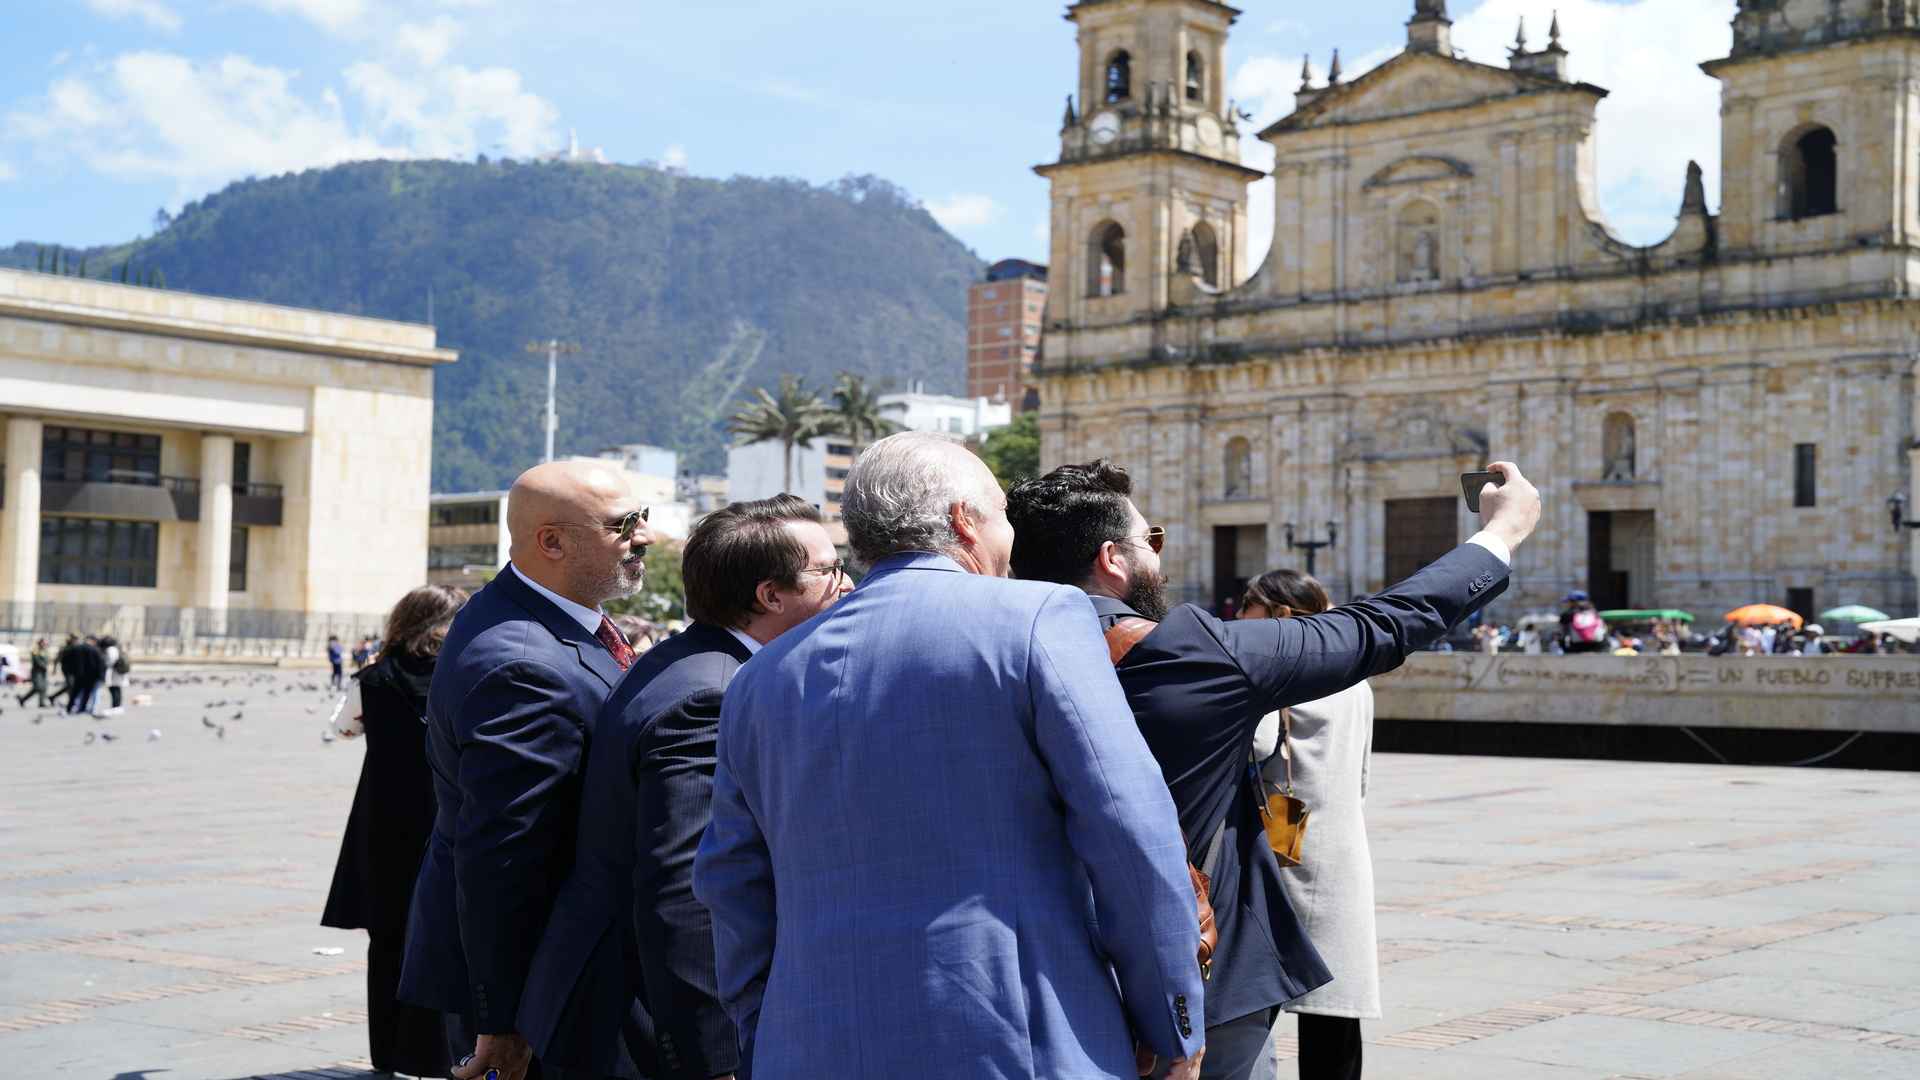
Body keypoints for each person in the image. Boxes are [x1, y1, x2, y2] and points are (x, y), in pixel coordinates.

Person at [694, 432, 1209, 1080]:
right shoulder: (1038, 618)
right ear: (965, 520)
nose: (1010, 543)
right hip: (1016, 1044)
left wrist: (766, 1038)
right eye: (1002, 518)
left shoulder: (760, 680)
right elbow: (1130, 828)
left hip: (810, 1048)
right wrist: (1174, 1023)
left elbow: (732, 890)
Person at [1005, 460, 1536, 1080]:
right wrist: (1499, 537)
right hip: (1205, 979)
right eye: (1152, 542)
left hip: (1038, 975)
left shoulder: (984, 654)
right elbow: (1380, 627)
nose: (1159, 557)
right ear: (1113, 560)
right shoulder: (1191, 654)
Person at [522, 495, 852, 1079]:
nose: (847, 585)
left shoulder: (693, 659)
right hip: (640, 1026)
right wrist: (714, 1059)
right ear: (770, 596)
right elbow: (684, 888)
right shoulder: (714, 696)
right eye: (829, 571)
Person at [398, 459, 656, 1080]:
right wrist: (505, 1019)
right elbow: (503, 856)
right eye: (624, 525)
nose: (644, 536)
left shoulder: (555, 614)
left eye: (643, 517)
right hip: (544, 991)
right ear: (552, 542)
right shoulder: (520, 663)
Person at [1236, 571, 1380, 1080]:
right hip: (1341, 842)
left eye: (1247, 606)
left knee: (1254, 986)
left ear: (1280, 614)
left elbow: (1257, 746)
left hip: (1286, 843)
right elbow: (1362, 768)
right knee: (1335, 1005)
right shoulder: (1356, 674)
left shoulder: (1280, 670)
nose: (1237, 616)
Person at [323, 584, 471, 1078]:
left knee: (387, 940)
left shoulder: (373, 678)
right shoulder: (464, 675)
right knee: (447, 934)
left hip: (383, 822)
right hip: (444, 818)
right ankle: (438, 1054)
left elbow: (343, 729)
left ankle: (388, 1053)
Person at [17, 638, 51, 708]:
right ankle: (23, 699)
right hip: (37, 671)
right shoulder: (35, 650)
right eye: (43, 643)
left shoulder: (45, 651)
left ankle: (41, 702)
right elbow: (36, 660)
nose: (44, 644)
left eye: (45, 643)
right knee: (38, 687)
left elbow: (47, 659)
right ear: (39, 643)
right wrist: (43, 666)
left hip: (43, 672)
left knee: (44, 687)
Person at [100, 635, 127, 714]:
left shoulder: (110, 649)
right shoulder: (116, 648)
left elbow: (111, 661)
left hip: (114, 672)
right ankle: (117, 706)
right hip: (117, 672)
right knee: (116, 689)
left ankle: (116, 706)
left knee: (114, 689)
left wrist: (104, 664)